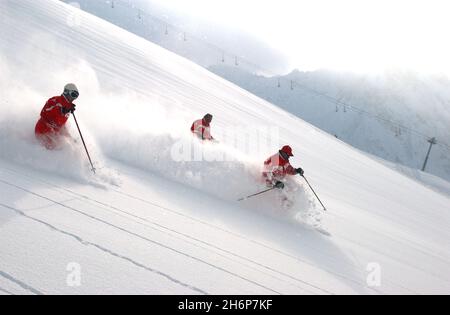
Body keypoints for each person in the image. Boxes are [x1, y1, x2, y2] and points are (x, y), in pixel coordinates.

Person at [35, 83, 78, 149]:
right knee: (52, 150)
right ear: (66, 92)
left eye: (76, 96)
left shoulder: (68, 108)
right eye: (73, 94)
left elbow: (61, 126)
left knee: (61, 149)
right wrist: (61, 110)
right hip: (43, 130)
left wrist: (70, 138)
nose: (74, 98)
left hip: (53, 133)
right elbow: (44, 112)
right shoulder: (55, 100)